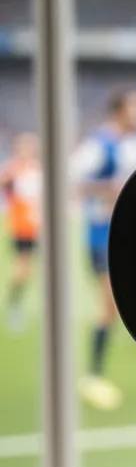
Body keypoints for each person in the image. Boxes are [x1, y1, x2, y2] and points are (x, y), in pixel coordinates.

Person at [70, 90, 136, 411]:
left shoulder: (135, 145)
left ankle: (97, 372)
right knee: (109, 302)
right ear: (119, 111)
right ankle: (93, 374)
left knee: (116, 305)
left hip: (127, 235)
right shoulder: (99, 144)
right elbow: (75, 181)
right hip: (101, 235)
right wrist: (109, 191)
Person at [1, 132, 42, 334]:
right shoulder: (13, 170)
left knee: (31, 271)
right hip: (21, 228)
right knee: (22, 270)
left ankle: (21, 306)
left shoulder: (36, 169)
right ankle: (13, 306)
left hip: (37, 228)